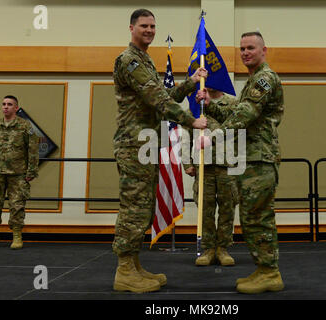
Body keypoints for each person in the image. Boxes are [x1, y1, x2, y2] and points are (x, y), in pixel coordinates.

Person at [112, 8, 208, 293]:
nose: (150, 30)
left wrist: (191, 81)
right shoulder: (129, 60)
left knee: (142, 207)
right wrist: (192, 120)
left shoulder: (145, 61)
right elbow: (158, 100)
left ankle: (134, 265)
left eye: (153, 26)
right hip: (134, 144)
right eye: (144, 26)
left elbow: (164, 95)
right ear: (131, 28)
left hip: (146, 144)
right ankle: (124, 270)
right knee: (133, 208)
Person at [196, 31, 284, 294]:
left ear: (263, 50)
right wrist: (210, 105)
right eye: (242, 48)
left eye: (251, 48)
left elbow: (246, 113)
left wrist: (216, 137)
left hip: (260, 158)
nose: (245, 52)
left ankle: (270, 272)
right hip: (250, 158)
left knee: (259, 217)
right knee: (251, 217)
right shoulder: (253, 80)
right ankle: (263, 269)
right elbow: (235, 111)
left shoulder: (265, 79)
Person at [184, 89, 239, 267]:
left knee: (227, 208)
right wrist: (187, 163)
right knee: (205, 208)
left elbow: (240, 130)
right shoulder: (195, 104)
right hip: (203, 165)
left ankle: (223, 249)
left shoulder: (232, 104)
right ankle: (208, 249)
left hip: (227, 164)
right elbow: (185, 135)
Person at [0, 95, 39, 250]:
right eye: (4, 104)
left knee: (17, 205)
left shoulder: (25, 126)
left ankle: (17, 235)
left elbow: (33, 150)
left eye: (9, 104)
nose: (5, 106)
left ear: (16, 108)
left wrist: (31, 171)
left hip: (18, 173)